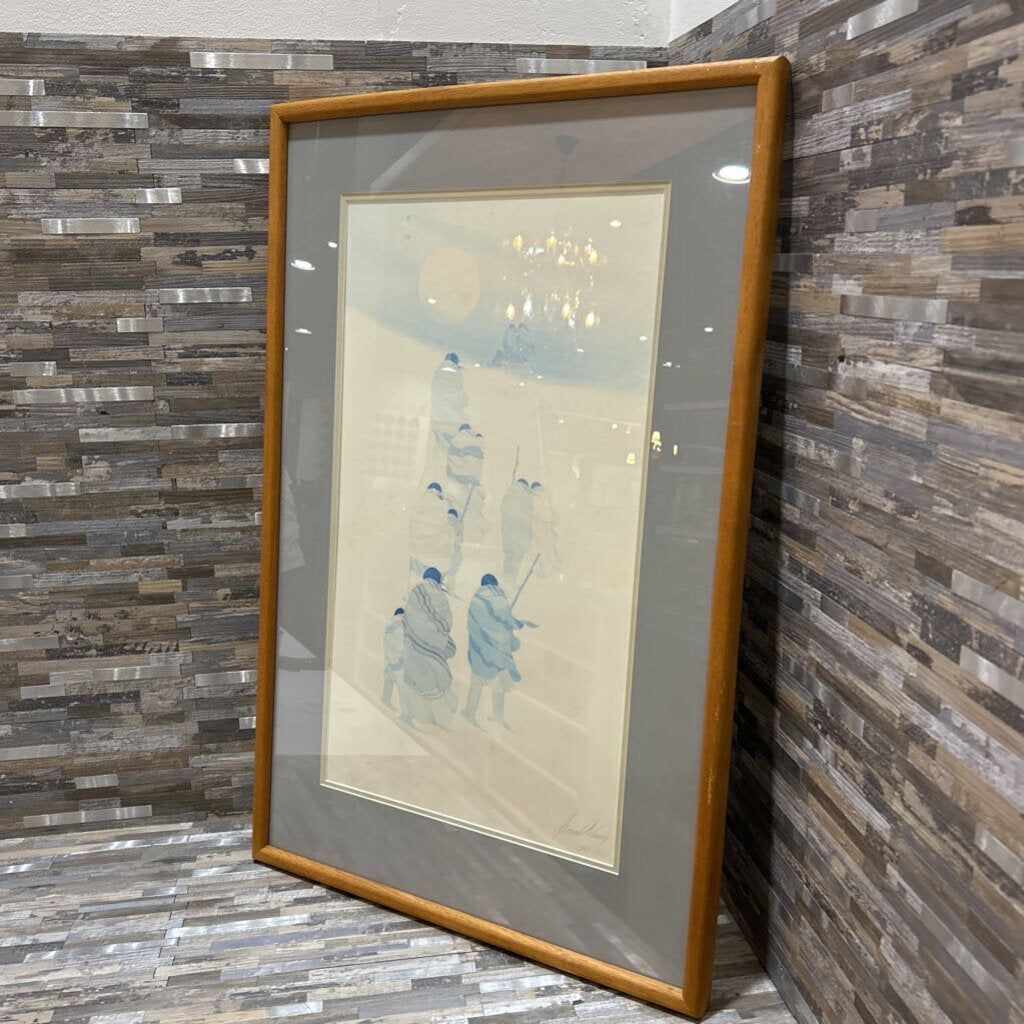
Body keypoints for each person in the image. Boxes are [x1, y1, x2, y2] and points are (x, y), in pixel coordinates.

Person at [463, 573, 534, 729]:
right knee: (498, 686)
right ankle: (498, 716)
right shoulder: (501, 602)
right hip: (497, 654)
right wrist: (513, 632)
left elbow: (472, 627)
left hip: (480, 652)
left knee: (476, 683)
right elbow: (507, 625)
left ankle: (469, 713)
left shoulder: (475, 601)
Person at [401, 567, 457, 728]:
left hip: (414, 644)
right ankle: (442, 719)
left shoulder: (416, 592)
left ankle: (423, 717)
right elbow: (446, 623)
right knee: (436, 682)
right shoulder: (441, 596)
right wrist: (436, 636)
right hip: (435, 647)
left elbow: (407, 617)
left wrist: (415, 632)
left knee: (421, 683)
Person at [445, 424, 487, 540]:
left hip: (456, 480)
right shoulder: (476, 441)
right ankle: (472, 535)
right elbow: (481, 449)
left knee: (457, 510)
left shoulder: (454, 441)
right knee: (472, 510)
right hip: (471, 482)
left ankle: (457, 536)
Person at [409, 482, 454, 577]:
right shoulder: (442, 503)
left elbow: (413, 518)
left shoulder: (420, 500)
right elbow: (445, 520)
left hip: (418, 543)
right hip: (434, 545)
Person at [430, 352, 468, 453]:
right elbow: (459, 391)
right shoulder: (456, 372)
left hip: (435, 413)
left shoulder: (439, 368)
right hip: (450, 417)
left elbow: (433, 386)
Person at [501, 477, 533, 583]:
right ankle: (511, 581)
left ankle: (506, 579)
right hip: (519, 536)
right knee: (516, 561)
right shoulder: (526, 497)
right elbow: (529, 517)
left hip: (507, 535)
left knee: (508, 559)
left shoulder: (508, 494)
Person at [530, 481, 560, 577]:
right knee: (546, 550)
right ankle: (547, 570)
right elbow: (547, 514)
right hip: (543, 529)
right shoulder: (542, 498)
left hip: (539, 529)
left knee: (541, 550)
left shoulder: (535, 498)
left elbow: (543, 514)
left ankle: (543, 572)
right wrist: (552, 518)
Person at [380, 607, 406, 713]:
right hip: (398, 661)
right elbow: (400, 645)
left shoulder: (389, 625)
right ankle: (405, 712)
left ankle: (385, 699)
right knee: (402, 686)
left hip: (389, 659)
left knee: (389, 680)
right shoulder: (400, 626)